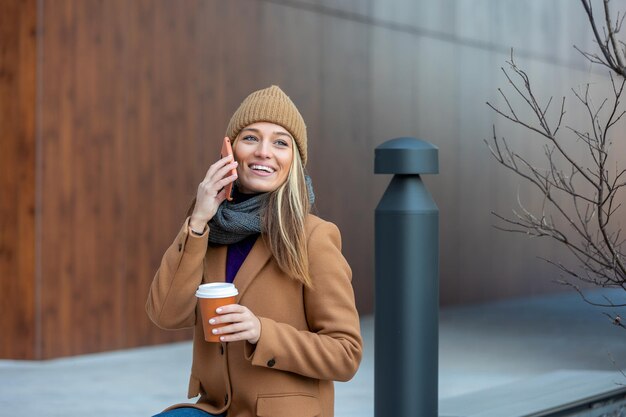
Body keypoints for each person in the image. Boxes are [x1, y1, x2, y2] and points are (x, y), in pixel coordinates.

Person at [146, 85, 363, 417]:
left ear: (294, 161)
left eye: (280, 142)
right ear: (230, 152)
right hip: (218, 409)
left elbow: (346, 354)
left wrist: (263, 332)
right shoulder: (210, 231)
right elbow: (165, 314)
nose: (264, 151)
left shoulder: (314, 237)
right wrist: (199, 220)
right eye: (251, 138)